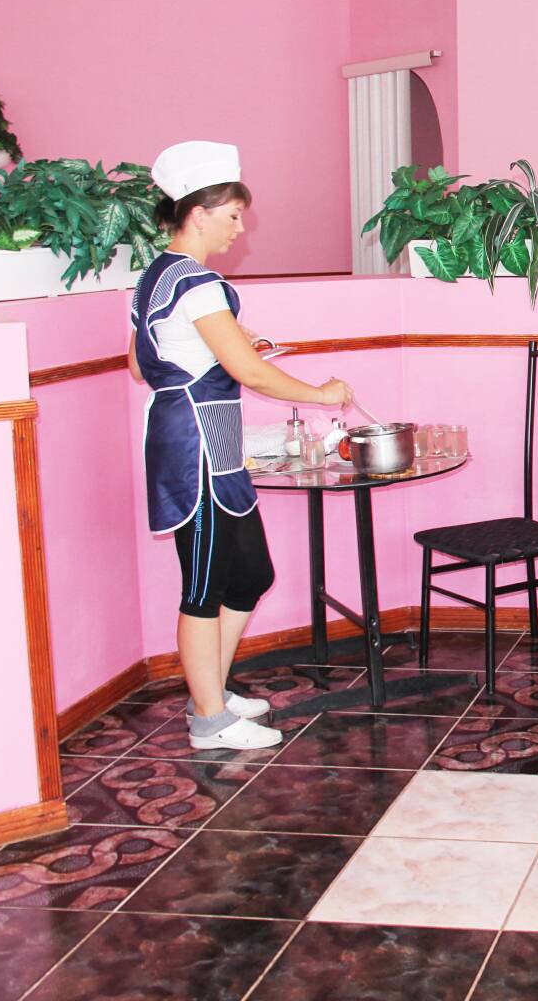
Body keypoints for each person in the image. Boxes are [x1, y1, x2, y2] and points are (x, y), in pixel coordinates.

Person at [129, 141, 352, 751]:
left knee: (250, 572)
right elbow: (250, 374)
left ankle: (213, 693)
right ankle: (208, 720)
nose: (239, 227)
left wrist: (218, 339)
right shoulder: (198, 283)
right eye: (232, 215)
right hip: (195, 448)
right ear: (198, 213)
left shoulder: (157, 277)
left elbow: (142, 362)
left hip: (209, 442)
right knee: (203, 586)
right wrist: (323, 393)